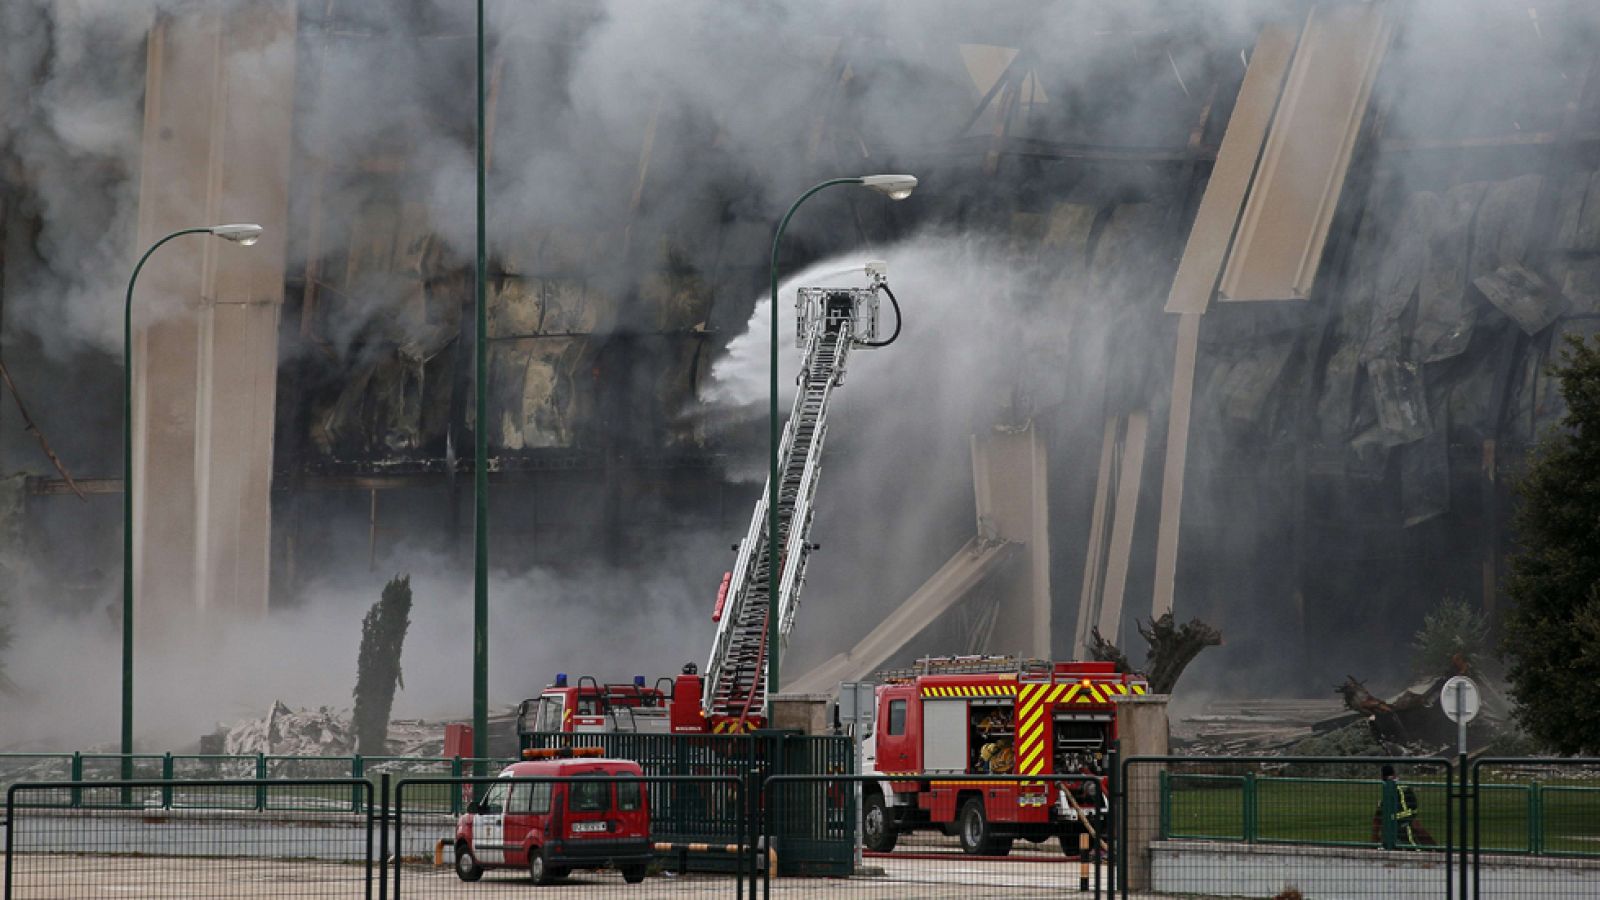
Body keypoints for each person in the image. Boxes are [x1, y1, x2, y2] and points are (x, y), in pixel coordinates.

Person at [1370, 764, 1435, 849]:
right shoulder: (1405, 790)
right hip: (1405, 826)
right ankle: (1436, 849)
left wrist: (1373, 842)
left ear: (1382, 777)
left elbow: (1376, 821)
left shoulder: (1386, 798)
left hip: (1395, 831)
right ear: (1394, 774)